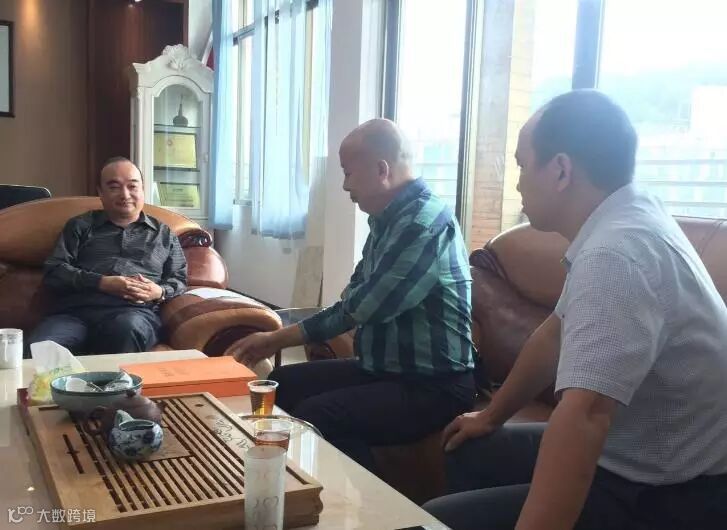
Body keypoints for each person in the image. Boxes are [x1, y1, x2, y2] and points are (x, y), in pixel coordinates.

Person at [423, 90, 727, 530]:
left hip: (670, 491)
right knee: (468, 446)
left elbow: (586, 416)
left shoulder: (615, 254)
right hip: (634, 455)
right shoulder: (630, 213)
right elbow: (553, 334)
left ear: (561, 170)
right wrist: (490, 416)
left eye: (522, 166)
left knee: (436, 520)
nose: (518, 184)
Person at [233, 119, 476, 471]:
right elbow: (355, 289)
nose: (346, 186)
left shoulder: (423, 223)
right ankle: (279, 476)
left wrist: (276, 338)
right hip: (384, 369)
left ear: (381, 170)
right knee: (282, 384)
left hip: (435, 385)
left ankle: (361, 499)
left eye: (348, 173)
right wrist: (355, 299)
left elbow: (364, 306)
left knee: (319, 415)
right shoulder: (386, 220)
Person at [28, 157, 187, 355]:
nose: (125, 195)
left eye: (132, 186)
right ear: (100, 193)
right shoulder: (80, 226)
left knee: (127, 329)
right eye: (114, 187)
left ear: (143, 190)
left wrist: (159, 291)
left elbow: (179, 278)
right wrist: (102, 283)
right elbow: (54, 271)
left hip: (133, 313)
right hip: (75, 313)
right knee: (41, 347)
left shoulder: (163, 234)